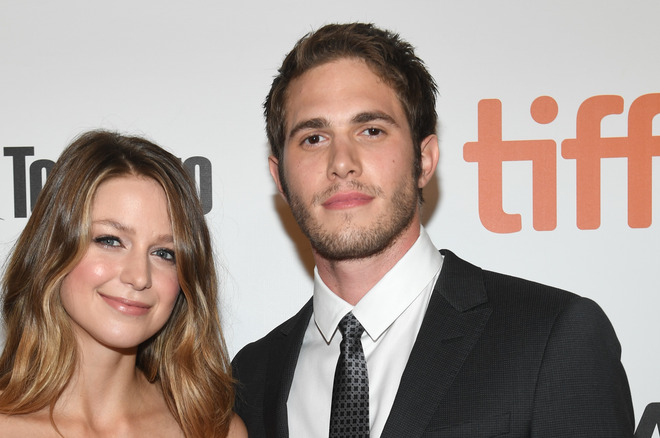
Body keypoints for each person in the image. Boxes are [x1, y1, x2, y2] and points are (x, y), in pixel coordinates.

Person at [231, 23, 634, 437]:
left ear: (424, 160)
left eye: (371, 131)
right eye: (314, 138)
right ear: (280, 179)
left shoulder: (551, 338)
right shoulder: (251, 377)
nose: (341, 161)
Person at [0, 131, 247, 438]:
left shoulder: (214, 431)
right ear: (53, 250)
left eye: (164, 252)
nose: (139, 276)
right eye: (110, 240)